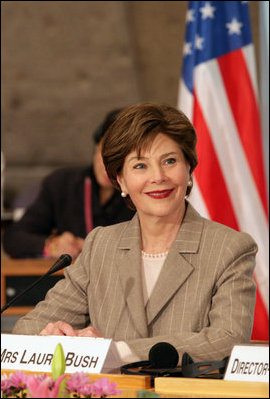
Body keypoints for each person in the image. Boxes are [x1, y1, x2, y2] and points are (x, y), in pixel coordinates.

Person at [12, 103, 257, 364]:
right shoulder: (101, 245)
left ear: (189, 169)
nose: (158, 177)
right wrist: (50, 335)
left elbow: (228, 340)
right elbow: (27, 329)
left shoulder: (229, 249)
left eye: (170, 161)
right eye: (140, 166)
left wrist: (118, 352)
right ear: (121, 180)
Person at [3, 109, 135, 259]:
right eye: (105, 151)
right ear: (96, 147)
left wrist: (92, 246)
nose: (108, 165)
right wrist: (52, 246)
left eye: (120, 158)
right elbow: (13, 238)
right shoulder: (63, 184)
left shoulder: (140, 191)